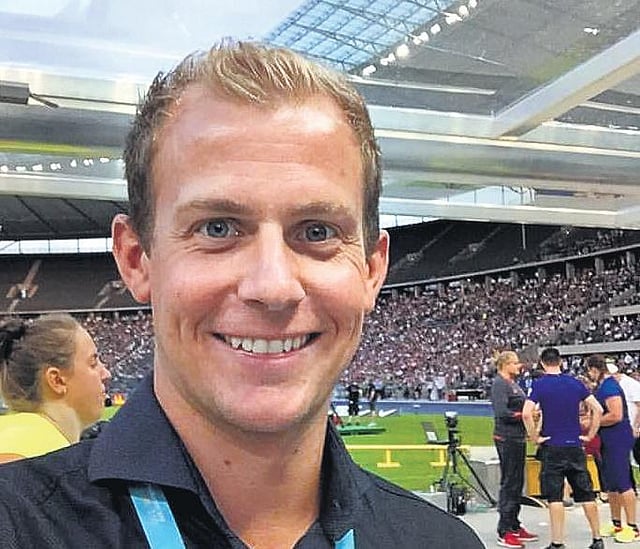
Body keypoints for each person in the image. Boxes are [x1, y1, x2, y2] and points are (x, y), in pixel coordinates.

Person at [0, 42, 483, 548]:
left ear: (371, 269)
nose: (273, 287)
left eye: (317, 232)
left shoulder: (443, 543)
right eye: (217, 228)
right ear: (137, 258)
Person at [0, 314, 110, 463]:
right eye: (93, 364)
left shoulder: (20, 437)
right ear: (57, 380)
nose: (106, 374)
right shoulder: (28, 452)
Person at [522, 347, 604, 549]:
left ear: (542, 364)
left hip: (552, 445)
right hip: (574, 445)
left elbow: (526, 413)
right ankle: (597, 538)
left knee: (555, 497)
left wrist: (535, 437)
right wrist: (590, 434)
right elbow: (598, 409)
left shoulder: (540, 385)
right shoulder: (575, 383)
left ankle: (557, 542)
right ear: (561, 362)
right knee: (586, 493)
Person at [586, 354, 638, 543]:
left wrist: (593, 422)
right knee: (611, 484)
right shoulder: (602, 387)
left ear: (594, 369)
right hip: (607, 440)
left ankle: (633, 526)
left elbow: (616, 414)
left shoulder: (609, 387)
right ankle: (616, 522)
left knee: (623, 482)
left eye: (590, 371)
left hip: (617, 439)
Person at [490, 350, 538, 548]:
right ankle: (504, 530)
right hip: (506, 437)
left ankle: (514, 524)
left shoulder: (512, 384)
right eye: (516, 363)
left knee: (517, 482)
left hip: (517, 437)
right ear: (506, 364)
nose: (519, 366)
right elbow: (502, 412)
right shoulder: (500, 384)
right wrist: (524, 415)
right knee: (510, 482)